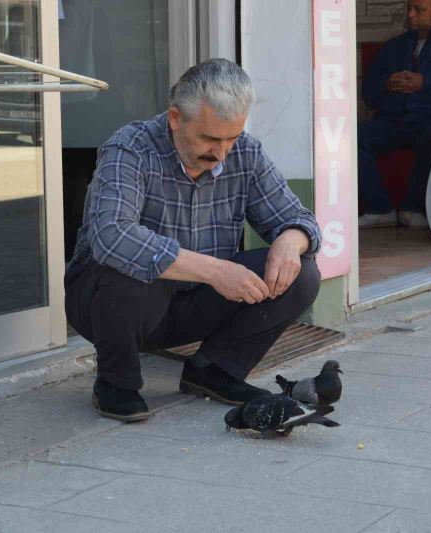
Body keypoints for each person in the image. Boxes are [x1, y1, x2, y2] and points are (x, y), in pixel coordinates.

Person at [65, 59, 322, 422]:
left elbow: (300, 220)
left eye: (230, 138)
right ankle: (115, 382)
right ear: (174, 118)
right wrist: (215, 271)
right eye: (209, 138)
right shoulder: (130, 148)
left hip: (195, 304)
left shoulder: (245, 152)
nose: (220, 152)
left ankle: (214, 370)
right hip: (116, 306)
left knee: (303, 272)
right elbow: (111, 236)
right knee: (127, 271)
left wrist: (291, 240)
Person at [358, 0, 431, 229]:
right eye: (409, 9)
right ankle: (380, 208)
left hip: (427, 121)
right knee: (351, 136)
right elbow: (368, 93)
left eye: (419, 10)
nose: (411, 15)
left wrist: (424, 83)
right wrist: (388, 83)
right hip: (392, 122)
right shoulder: (393, 47)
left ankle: (412, 208)